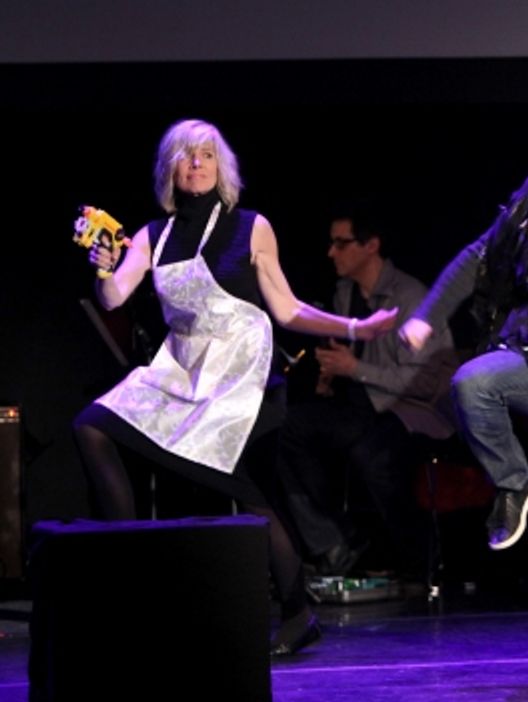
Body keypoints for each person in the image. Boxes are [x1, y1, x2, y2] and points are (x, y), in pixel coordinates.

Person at [73, 119, 397, 657]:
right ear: (170, 169)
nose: (197, 163)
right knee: (93, 426)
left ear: (221, 167)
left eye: (207, 154)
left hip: (244, 376)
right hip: (183, 368)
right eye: (185, 155)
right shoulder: (153, 236)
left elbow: (287, 308)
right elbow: (112, 298)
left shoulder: (252, 226)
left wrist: (356, 329)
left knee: (251, 495)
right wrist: (105, 268)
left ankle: (296, 612)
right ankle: (127, 575)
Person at [276, 205, 458, 580]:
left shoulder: (410, 297)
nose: (332, 253)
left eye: (341, 244)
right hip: (363, 409)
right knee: (285, 427)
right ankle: (336, 541)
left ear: (371, 245)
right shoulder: (344, 295)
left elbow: (423, 383)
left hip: (411, 412)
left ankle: (419, 559)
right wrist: (331, 375)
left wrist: (354, 369)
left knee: (373, 454)